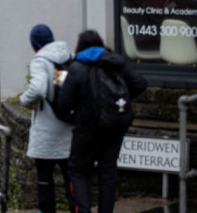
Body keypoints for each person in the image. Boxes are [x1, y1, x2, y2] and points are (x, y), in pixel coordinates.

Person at [56, 30, 147, 213]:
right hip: (115, 125)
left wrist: (76, 117)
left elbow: (63, 106)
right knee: (108, 172)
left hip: (88, 128)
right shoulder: (116, 63)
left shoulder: (77, 68)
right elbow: (140, 84)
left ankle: (84, 210)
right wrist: (120, 104)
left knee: (78, 170)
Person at [19, 24, 75, 213]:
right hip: (67, 127)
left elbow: (39, 88)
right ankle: (77, 209)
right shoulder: (65, 57)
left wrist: (24, 101)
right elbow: (61, 88)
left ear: (35, 43)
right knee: (71, 179)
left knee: (44, 179)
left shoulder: (40, 61)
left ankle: (47, 210)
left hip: (47, 130)